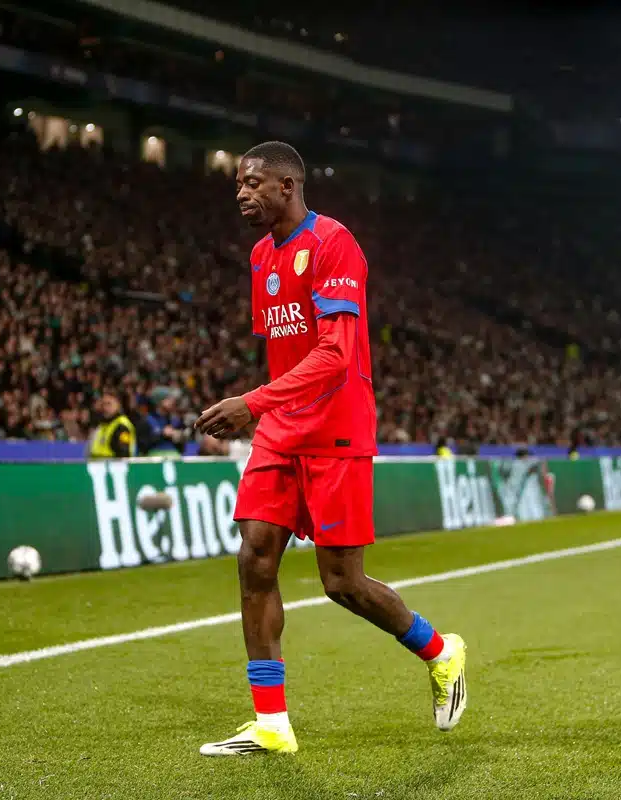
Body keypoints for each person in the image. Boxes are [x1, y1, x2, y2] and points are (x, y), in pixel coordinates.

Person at [194, 141, 467, 757]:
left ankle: (439, 651)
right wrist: (266, 411)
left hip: (336, 431)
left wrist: (254, 402)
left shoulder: (334, 243)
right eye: (238, 183)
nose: (241, 193)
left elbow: (336, 355)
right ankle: (271, 722)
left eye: (253, 182)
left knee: (342, 583)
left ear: (288, 186)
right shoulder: (262, 255)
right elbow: (285, 350)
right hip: (280, 433)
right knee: (255, 557)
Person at [88, 390, 136, 459]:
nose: (105, 408)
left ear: (118, 405)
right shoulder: (102, 425)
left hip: (112, 468)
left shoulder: (122, 426)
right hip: (96, 467)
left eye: (109, 404)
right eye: (103, 404)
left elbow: (124, 454)